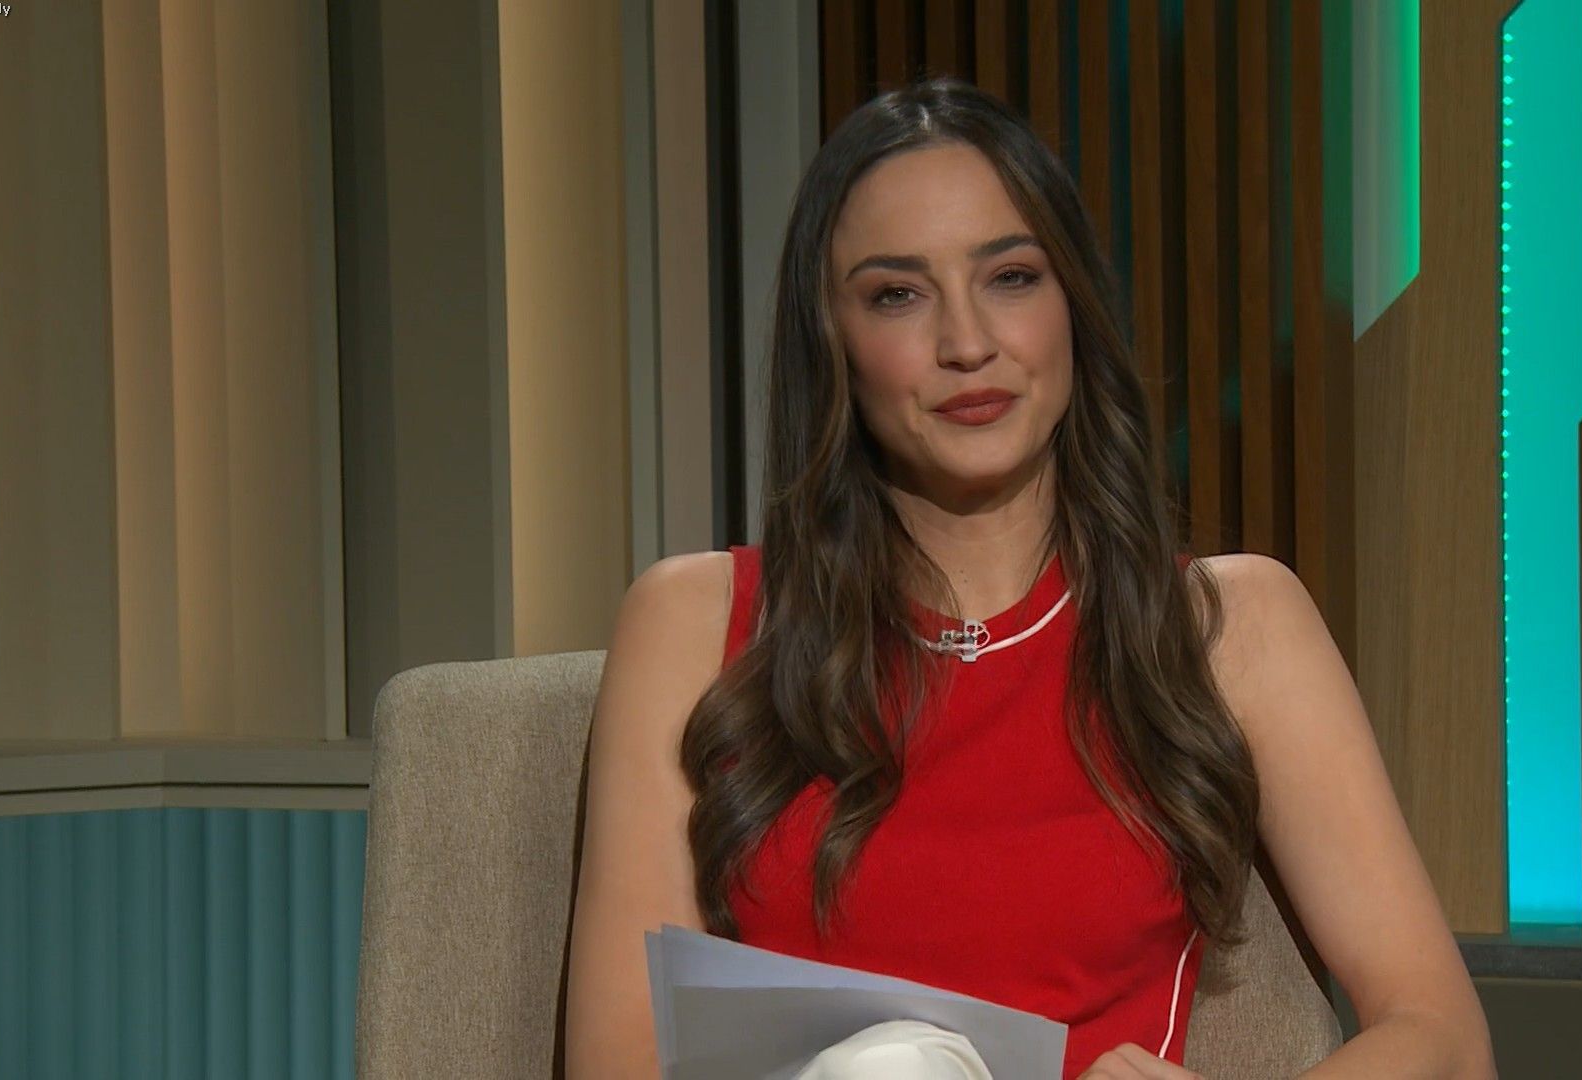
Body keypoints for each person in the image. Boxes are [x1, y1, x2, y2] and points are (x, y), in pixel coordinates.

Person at [563, 76, 1495, 1079]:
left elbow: (1441, 1038)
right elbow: (619, 1059)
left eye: (1011, 277)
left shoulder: (1230, 624)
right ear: (831, 341)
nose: (968, 344)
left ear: (1073, 305)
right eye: (897, 295)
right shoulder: (694, 620)